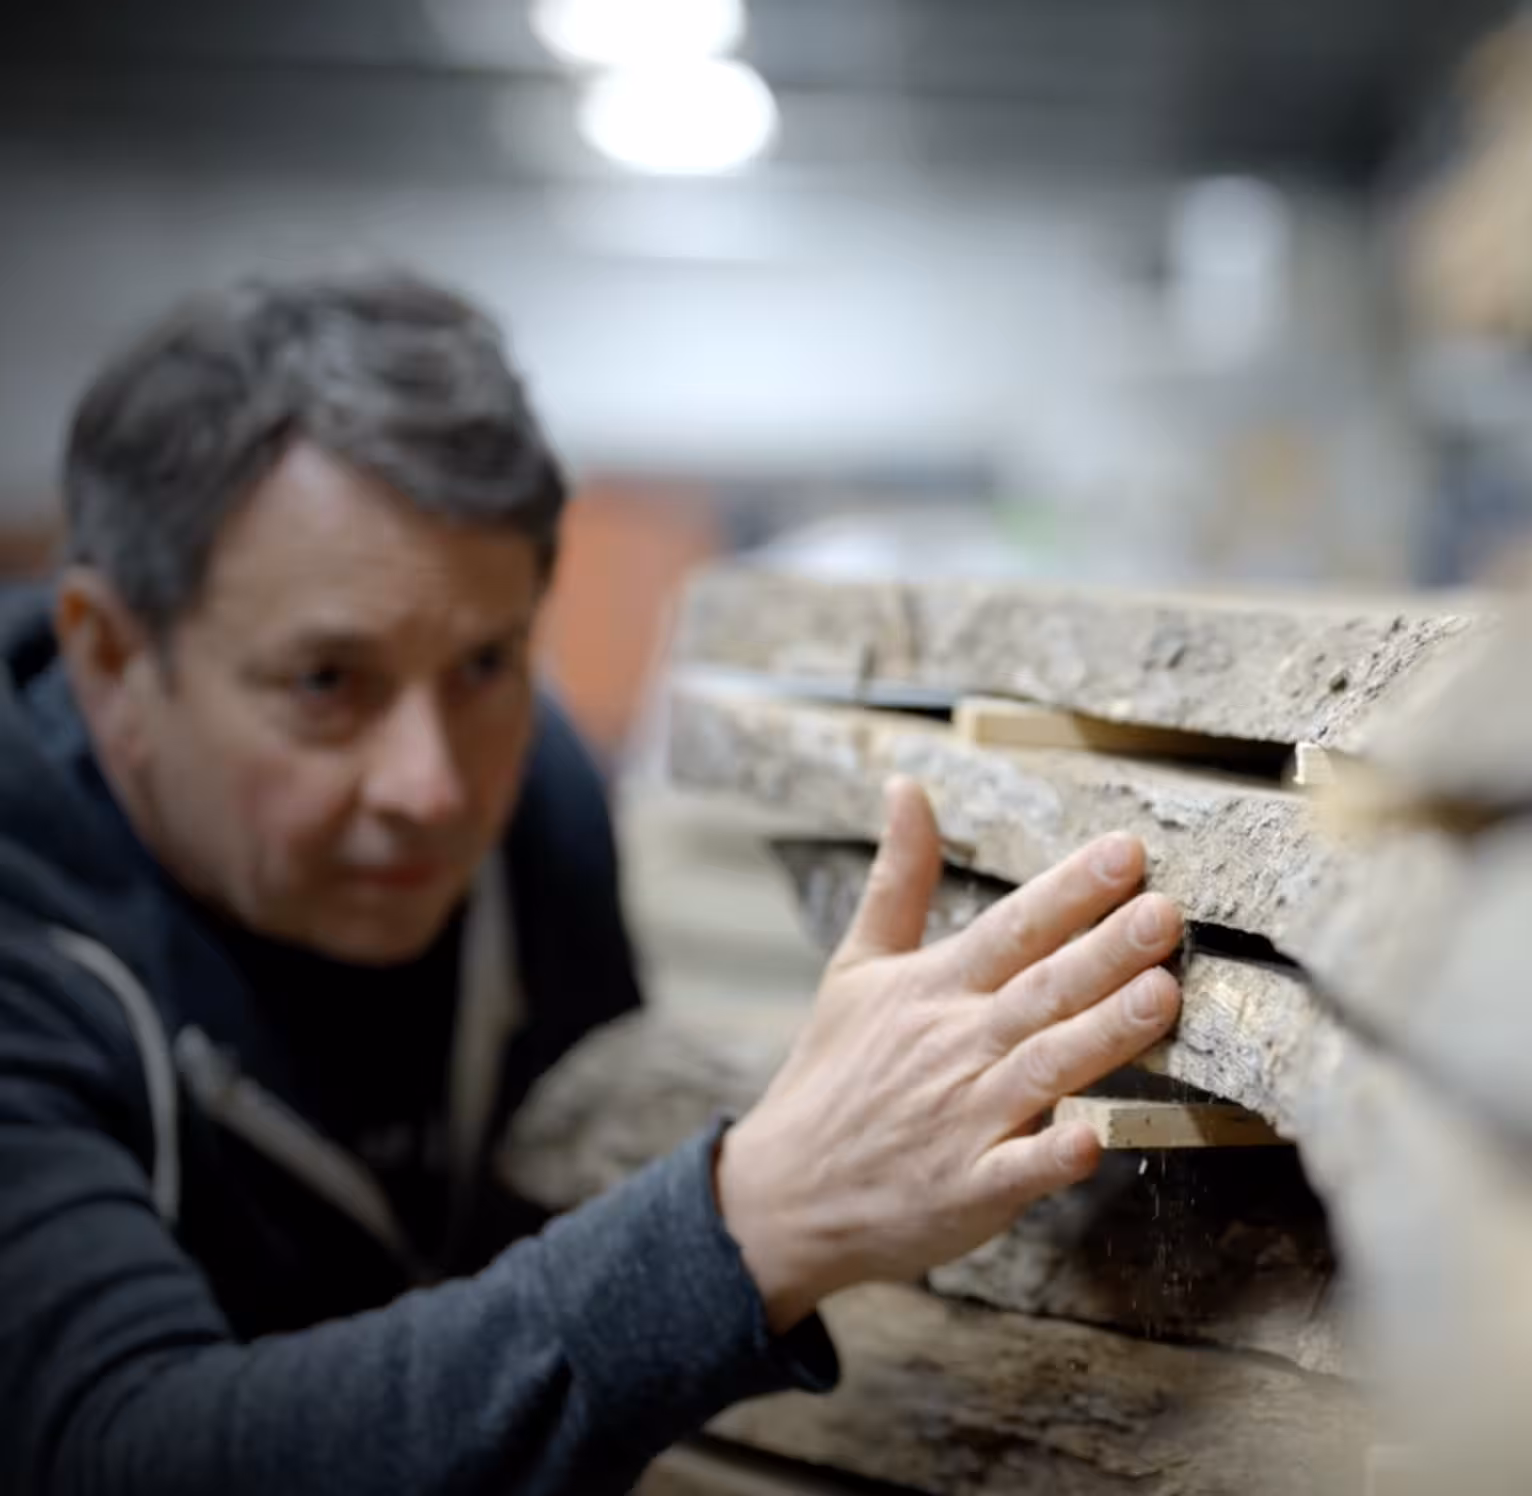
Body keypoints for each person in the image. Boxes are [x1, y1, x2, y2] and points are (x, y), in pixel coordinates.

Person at [0, 269, 1186, 1493]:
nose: (436, 786)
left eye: (485, 663)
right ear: (109, 658)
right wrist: (750, 1222)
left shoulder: (534, 799)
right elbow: (110, 1450)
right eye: (324, 683)